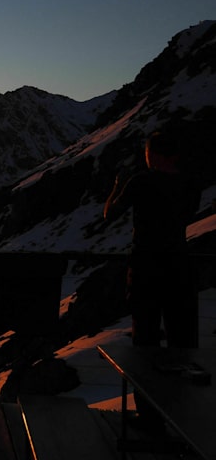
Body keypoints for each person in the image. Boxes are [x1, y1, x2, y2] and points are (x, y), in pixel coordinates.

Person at [104, 131, 201, 426]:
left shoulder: (141, 181)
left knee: (145, 340)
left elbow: (110, 214)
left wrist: (117, 187)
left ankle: (149, 414)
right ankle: (183, 412)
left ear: (154, 155)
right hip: (180, 266)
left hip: (146, 266)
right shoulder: (189, 183)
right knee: (181, 340)